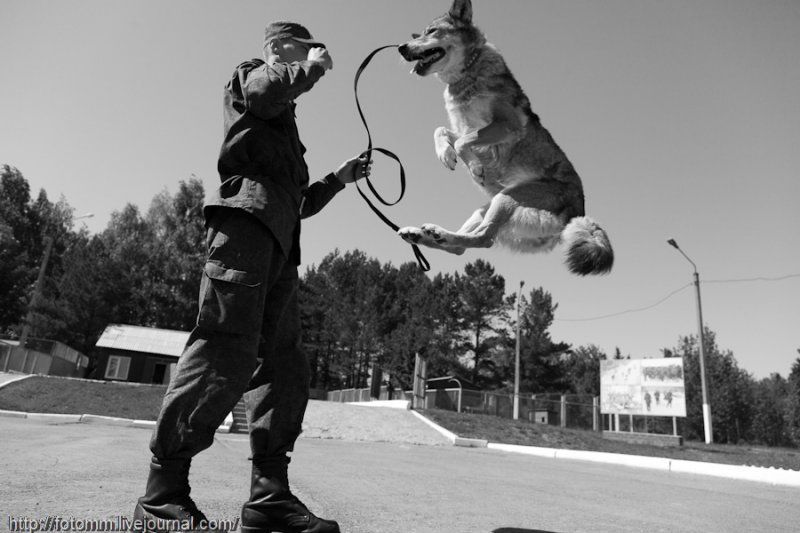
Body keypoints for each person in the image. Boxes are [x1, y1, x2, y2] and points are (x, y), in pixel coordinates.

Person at [132, 21, 370, 533]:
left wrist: (339, 180)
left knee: (284, 366)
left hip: (281, 245)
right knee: (225, 348)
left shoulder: (284, 122)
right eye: (302, 46)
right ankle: (162, 492)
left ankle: (269, 498)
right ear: (278, 47)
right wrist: (310, 68)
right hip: (244, 228)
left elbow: (296, 201)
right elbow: (266, 92)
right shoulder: (252, 77)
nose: (313, 53)